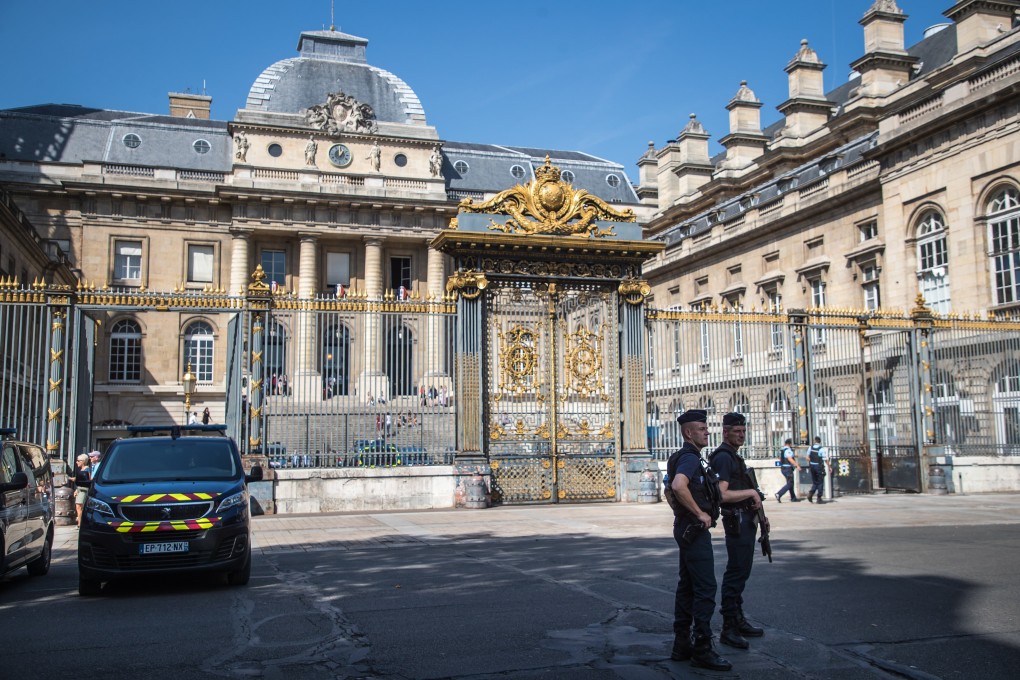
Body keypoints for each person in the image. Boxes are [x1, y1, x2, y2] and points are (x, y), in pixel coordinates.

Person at [664, 409, 730, 671]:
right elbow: (678, 486)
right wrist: (699, 513)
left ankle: (682, 644)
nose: (707, 432)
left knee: (687, 586)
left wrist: (681, 513)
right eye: (702, 428)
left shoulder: (681, 457)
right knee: (705, 589)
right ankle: (702, 647)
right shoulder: (689, 459)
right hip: (694, 530)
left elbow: (669, 490)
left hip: (684, 528)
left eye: (706, 427)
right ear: (688, 433)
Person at [709, 412, 767, 650]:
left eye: (744, 431)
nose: (742, 435)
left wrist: (761, 516)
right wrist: (751, 494)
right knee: (736, 573)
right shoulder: (724, 457)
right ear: (725, 432)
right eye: (737, 431)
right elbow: (722, 495)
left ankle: (738, 620)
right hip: (737, 521)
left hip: (747, 519)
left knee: (742, 572)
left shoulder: (733, 456)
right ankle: (729, 627)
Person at [775, 438, 802, 503]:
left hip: (783, 468)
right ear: (790, 444)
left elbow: (780, 459)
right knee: (790, 483)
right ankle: (779, 494)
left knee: (790, 483)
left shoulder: (782, 450)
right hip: (788, 469)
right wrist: (797, 465)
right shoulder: (788, 450)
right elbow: (790, 459)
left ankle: (793, 497)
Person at [807, 436, 829, 504]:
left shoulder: (810, 447)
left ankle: (811, 493)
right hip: (818, 467)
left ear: (815, 441)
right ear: (820, 441)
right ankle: (819, 498)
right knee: (820, 482)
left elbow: (807, 457)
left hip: (812, 466)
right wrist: (829, 466)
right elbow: (825, 459)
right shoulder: (821, 449)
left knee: (815, 482)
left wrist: (811, 462)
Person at [73, 453, 91, 527]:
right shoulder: (82, 469)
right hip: (80, 489)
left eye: (78, 461)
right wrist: (76, 490)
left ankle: (80, 524)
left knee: (79, 506)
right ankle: (80, 523)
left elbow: (89, 480)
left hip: (83, 490)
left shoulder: (87, 469)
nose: (76, 462)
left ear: (83, 461)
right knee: (78, 506)